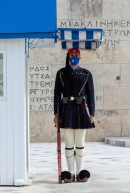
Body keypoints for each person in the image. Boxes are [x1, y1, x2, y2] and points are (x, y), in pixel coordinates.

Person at [53, 48, 95, 183]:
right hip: (66, 110)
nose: (74, 57)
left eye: (76, 55)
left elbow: (91, 95)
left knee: (80, 143)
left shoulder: (86, 74)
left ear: (80, 57)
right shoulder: (61, 74)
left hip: (81, 110)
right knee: (69, 143)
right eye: (72, 55)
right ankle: (70, 173)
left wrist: (92, 113)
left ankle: (79, 172)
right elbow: (56, 95)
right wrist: (56, 113)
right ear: (68, 56)